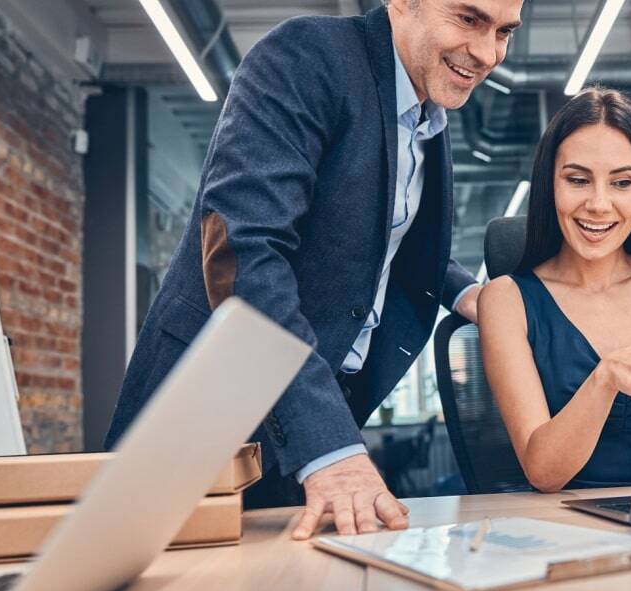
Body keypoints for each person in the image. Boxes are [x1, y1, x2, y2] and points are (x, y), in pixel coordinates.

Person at [104, 0, 523, 538]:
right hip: (209, 411)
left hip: (306, 414)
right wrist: (326, 443)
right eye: (468, 20)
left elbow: (383, 237)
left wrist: (469, 295)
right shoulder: (307, 59)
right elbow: (241, 250)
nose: (487, 54)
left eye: (504, 32)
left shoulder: (424, 110)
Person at [478, 88, 631, 493]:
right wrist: (606, 378)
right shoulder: (507, 300)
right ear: (550, 186)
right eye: (578, 180)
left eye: (622, 183)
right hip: (567, 528)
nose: (598, 204)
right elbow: (543, 471)